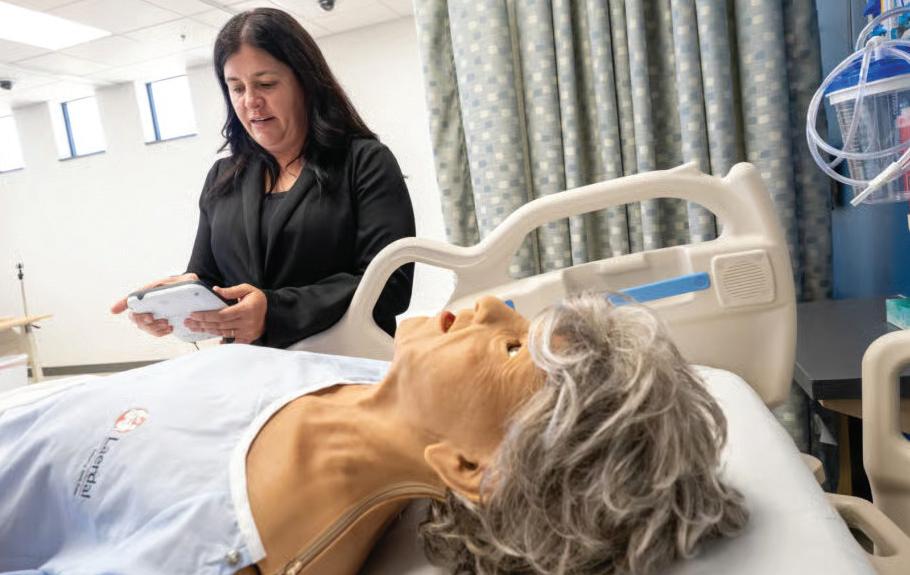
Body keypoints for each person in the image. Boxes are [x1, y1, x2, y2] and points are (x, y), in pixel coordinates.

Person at [0, 295, 747, 575]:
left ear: (471, 467)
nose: (490, 305)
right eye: (522, 317)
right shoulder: (375, 381)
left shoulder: (220, 541)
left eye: (512, 347)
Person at [110, 7, 415, 348]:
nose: (251, 101)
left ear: (306, 82)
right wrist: (175, 303)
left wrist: (273, 311)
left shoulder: (364, 162)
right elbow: (209, 279)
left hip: (343, 360)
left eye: (266, 84)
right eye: (236, 88)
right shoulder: (222, 178)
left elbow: (391, 285)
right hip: (248, 364)